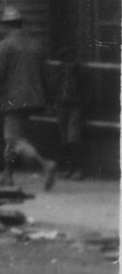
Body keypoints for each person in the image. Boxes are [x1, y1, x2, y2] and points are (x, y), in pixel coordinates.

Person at [0, 6, 57, 190]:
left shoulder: (4, 46)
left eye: (2, 25)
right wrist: (49, 100)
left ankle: (44, 165)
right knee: (14, 136)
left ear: (6, 26)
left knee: (13, 140)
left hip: (12, 99)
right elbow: (46, 75)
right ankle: (7, 175)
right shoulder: (35, 44)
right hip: (34, 99)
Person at [51, 45, 88, 180]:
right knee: (64, 139)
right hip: (62, 105)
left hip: (75, 105)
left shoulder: (79, 70)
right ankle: (71, 168)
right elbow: (55, 87)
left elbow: (85, 91)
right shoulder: (61, 71)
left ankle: (78, 168)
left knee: (73, 137)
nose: (67, 62)